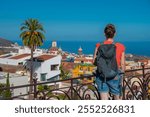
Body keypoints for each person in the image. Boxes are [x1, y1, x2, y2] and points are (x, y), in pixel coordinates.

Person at [93, 24, 125, 100]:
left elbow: (94, 61)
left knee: (104, 100)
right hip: (115, 75)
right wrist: (122, 75)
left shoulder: (99, 45)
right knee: (117, 98)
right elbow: (122, 64)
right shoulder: (120, 46)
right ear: (115, 34)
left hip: (102, 76)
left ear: (104, 34)